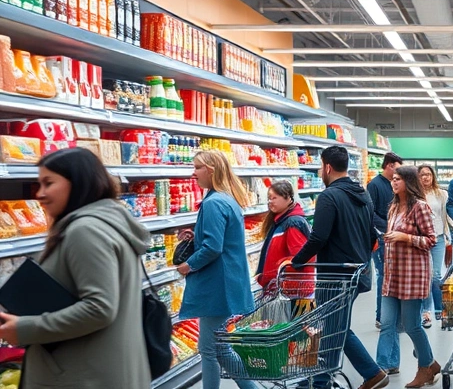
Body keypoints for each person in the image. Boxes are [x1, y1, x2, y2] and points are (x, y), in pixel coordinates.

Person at [0, 148, 150, 388]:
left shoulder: (86, 230)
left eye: (49, 183)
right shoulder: (108, 221)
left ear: (78, 183)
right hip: (101, 368)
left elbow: (100, 308)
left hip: (83, 375)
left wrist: (26, 329)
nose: (40, 194)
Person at [292, 146, 389, 389]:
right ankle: (326, 378)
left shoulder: (329, 196)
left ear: (327, 167)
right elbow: (370, 235)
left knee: (335, 326)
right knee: (336, 326)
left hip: (334, 274)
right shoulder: (363, 194)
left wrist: (296, 262)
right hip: (357, 271)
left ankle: (350, 375)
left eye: (320, 166)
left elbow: (318, 238)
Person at [175, 150, 259, 389]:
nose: (193, 173)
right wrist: (197, 234)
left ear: (210, 171)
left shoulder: (213, 203)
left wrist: (188, 266)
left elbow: (213, 247)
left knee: (208, 350)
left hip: (217, 286)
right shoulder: (225, 198)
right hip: (228, 283)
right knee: (220, 347)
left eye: (197, 167)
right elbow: (217, 239)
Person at [375, 166, 441, 388]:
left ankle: (425, 369)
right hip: (392, 274)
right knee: (387, 322)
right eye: (392, 179)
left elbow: (431, 240)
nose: (393, 183)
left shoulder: (419, 207)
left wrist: (405, 237)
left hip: (412, 275)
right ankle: (429, 364)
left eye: (398, 179)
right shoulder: (393, 207)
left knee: (412, 325)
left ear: (408, 182)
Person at [255, 180, 314, 304]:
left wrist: (268, 277)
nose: (270, 202)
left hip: (292, 293)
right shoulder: (279, 222)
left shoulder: (293, 223)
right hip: (283, 290)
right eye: (269, 198)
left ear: (288, 198)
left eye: (274, 198)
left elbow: (300, 260)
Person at [368, 152, 404, 327]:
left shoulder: (395, 184)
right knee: (384, 276)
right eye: (397, 169)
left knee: (394, 276)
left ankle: (392, 317)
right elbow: (370, 213)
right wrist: (388, 226)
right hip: (381, 237)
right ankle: (381, 317)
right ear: (389, 166)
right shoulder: (374, 185)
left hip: (396, 236)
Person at [419, 164, 450, 327]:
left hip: (438, 238)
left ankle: (440, 311)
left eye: (428, 174)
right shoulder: (413, 195)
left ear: (433, 176)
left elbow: (444, 216)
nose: (425, 177)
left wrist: (447, 235)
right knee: (425, 275)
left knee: (436, 275)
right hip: (421, 240)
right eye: (422, 174)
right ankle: (426, 312)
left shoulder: (441, 194)